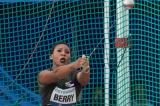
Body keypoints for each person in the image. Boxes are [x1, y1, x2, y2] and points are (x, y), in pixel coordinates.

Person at [38, 42, 90, 106]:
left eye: (67, 52)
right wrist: (73, 65)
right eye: (59, 51)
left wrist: (86, 69)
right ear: (51, 56)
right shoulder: (43, 75)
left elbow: (84, 81)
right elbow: (55, 75)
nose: (63, 54)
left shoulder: (75, 74)